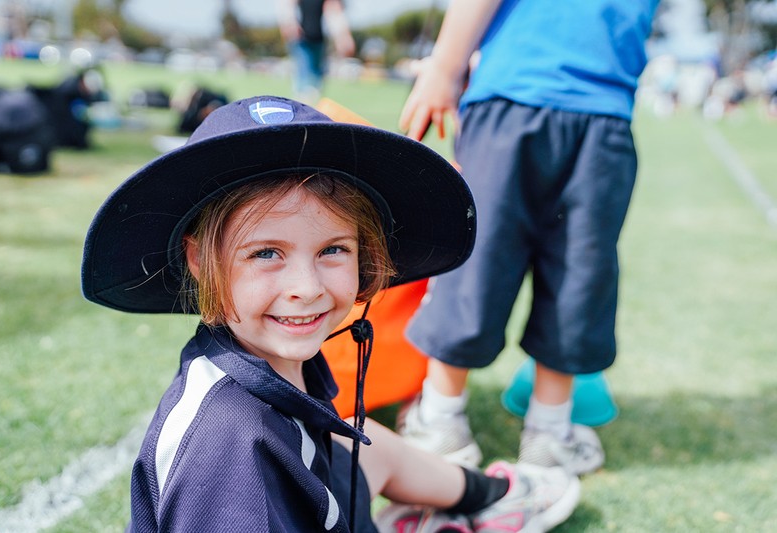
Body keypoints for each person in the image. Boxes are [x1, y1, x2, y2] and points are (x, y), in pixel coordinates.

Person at [81, 95, 581, 532]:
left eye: (333, 250)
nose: (306, 288)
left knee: (365, 442)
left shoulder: (260, 361)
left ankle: (490, 496)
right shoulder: (229, 452)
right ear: (198, 260)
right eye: (265, 253)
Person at [397, 0, 660, 474]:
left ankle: (549, 429)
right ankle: (442, 417)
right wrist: (445, 67)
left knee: (581, 273)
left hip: (602, 112)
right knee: (478, 261)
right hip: (516, 96)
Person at [278, 0, 355, 103]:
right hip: (301, 38)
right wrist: (289, 23)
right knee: (303, 75)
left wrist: (342, 37)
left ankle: (312, 102)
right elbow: (287, 5)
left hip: (319, 39)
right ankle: (301, 101)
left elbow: (334, 11)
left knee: (316, 79)